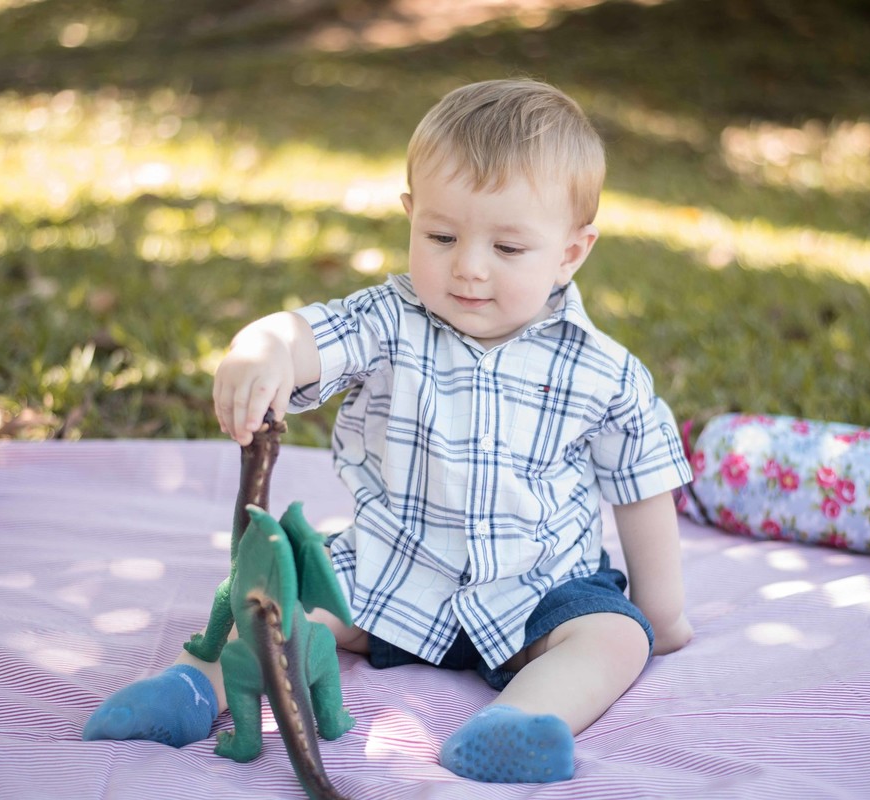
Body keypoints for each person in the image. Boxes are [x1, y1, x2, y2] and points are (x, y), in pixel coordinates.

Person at [84, 78, 694, 784]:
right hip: (388, 570)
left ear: (571, 252)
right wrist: (264, 350)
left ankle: (519, 721)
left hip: (538, 588)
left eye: (508, 247)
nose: (468, 265)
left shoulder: (605, 372)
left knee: (615, 637)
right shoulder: (386, 321)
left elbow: (642, 487)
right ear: (410, 216)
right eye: (440, 235)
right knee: (277, 602)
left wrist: (660, 611)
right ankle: (191, 688)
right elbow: (305, 333)